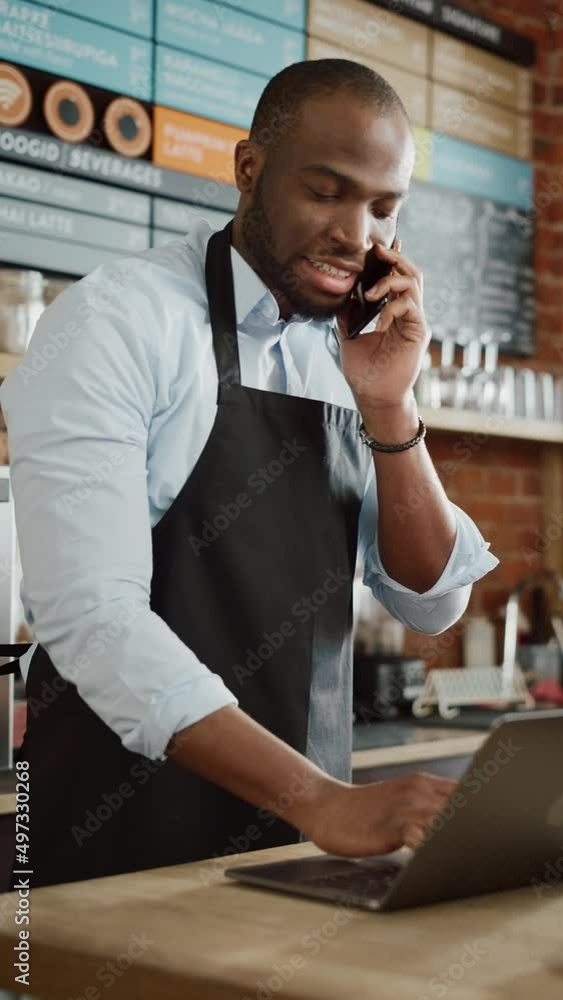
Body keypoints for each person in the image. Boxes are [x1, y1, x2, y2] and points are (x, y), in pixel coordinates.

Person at [1, 60, 497, 888]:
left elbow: (430, 598)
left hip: (297, 854)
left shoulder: (354, 347)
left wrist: (390, 407)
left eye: (382, 207)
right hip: (120, 849)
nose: (355, 233)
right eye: (326, 191)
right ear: (247, 169)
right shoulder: (119, 320)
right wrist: (320, 799)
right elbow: (92, 618)